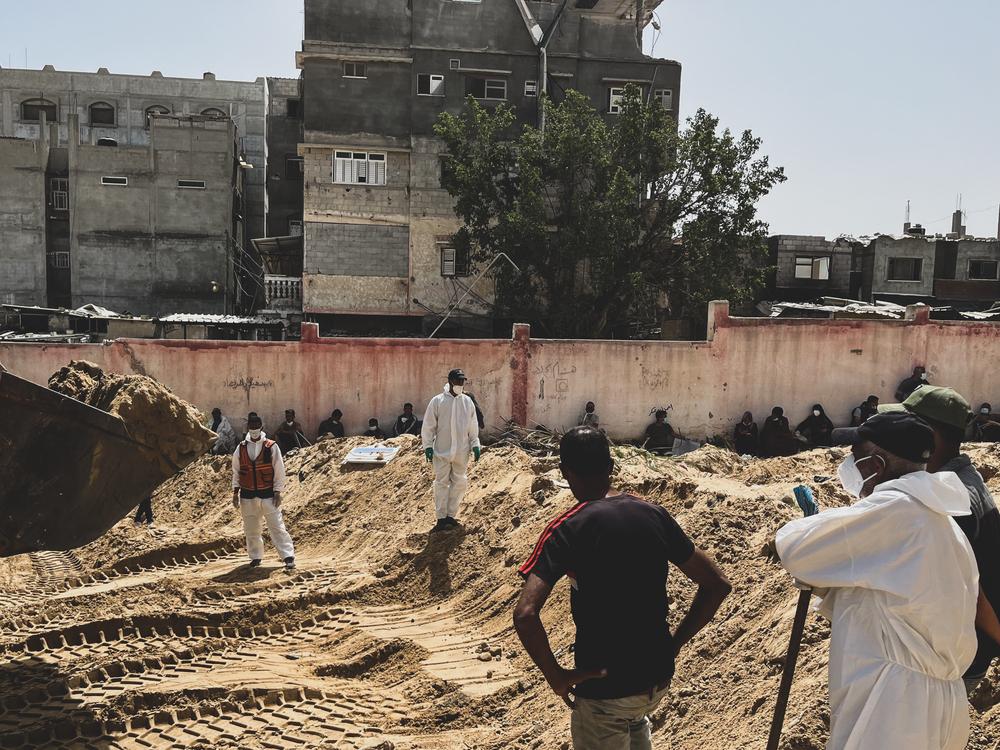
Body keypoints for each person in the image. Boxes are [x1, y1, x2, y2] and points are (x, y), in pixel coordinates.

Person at [514, 427, 731, 750]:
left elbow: (526, 614)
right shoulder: (653, 514)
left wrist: (556, 676)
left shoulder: (568, 529)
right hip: (654, 682)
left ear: (565, 472)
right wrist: (674, 645)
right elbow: (717, 585)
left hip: (605, 691)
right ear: (611, 467)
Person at [775, 411, 978, 750]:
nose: (850, 465)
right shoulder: (938, 518)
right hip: (939, 701)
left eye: (855, 457)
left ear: (876, 465)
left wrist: (819, 527)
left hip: (896, 710)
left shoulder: (894, 509)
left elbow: (795, 549)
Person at [881, 386, 1000, 694]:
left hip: (953, 661)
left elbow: (969, 591)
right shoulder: (957, 480)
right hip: (960, 651)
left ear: (928, 435)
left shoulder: (951, 499)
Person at [231, 414, 296, 571]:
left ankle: (288, 556)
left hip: (268, 495)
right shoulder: (241, 448)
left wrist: (278, 491)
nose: (254, 430)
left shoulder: (271, 446)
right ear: (248, 428)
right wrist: (235, 493)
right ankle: (255, 557)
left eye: (256, 427)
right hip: (247, 496)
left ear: (261, 427)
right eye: (251, 427)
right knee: (251, 528)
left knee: (277, 526)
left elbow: (279, 470)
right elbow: (236, 471)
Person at [422, 368, 482, 532]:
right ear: (450, 382)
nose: (460, 384)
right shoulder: (438, 401)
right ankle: (441, 518)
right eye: (458, 381)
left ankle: (451, 515)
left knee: (460, 482)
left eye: (463, 381)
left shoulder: (467, 402)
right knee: (441, 484)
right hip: (442, 451)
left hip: (461, 452)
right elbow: (428, 426)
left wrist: (475, 443)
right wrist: (427, 446)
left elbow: (473, 424)